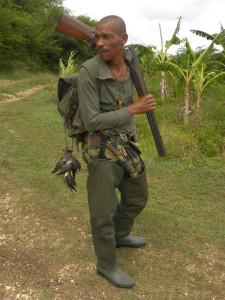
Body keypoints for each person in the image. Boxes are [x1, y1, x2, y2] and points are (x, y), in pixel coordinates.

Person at [78, 15, 156, 288]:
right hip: (100, 145)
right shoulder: (88, 71)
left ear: (123, 39)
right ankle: (106, 264)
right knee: (102, 212)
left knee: (137, 197)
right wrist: (134, 109)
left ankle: (120, 235)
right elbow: (91, 121)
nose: (99, 43)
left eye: (107, 37)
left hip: (126, 143)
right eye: (96, 37)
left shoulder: (131, 63)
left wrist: (132, 123)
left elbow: (128, 106)